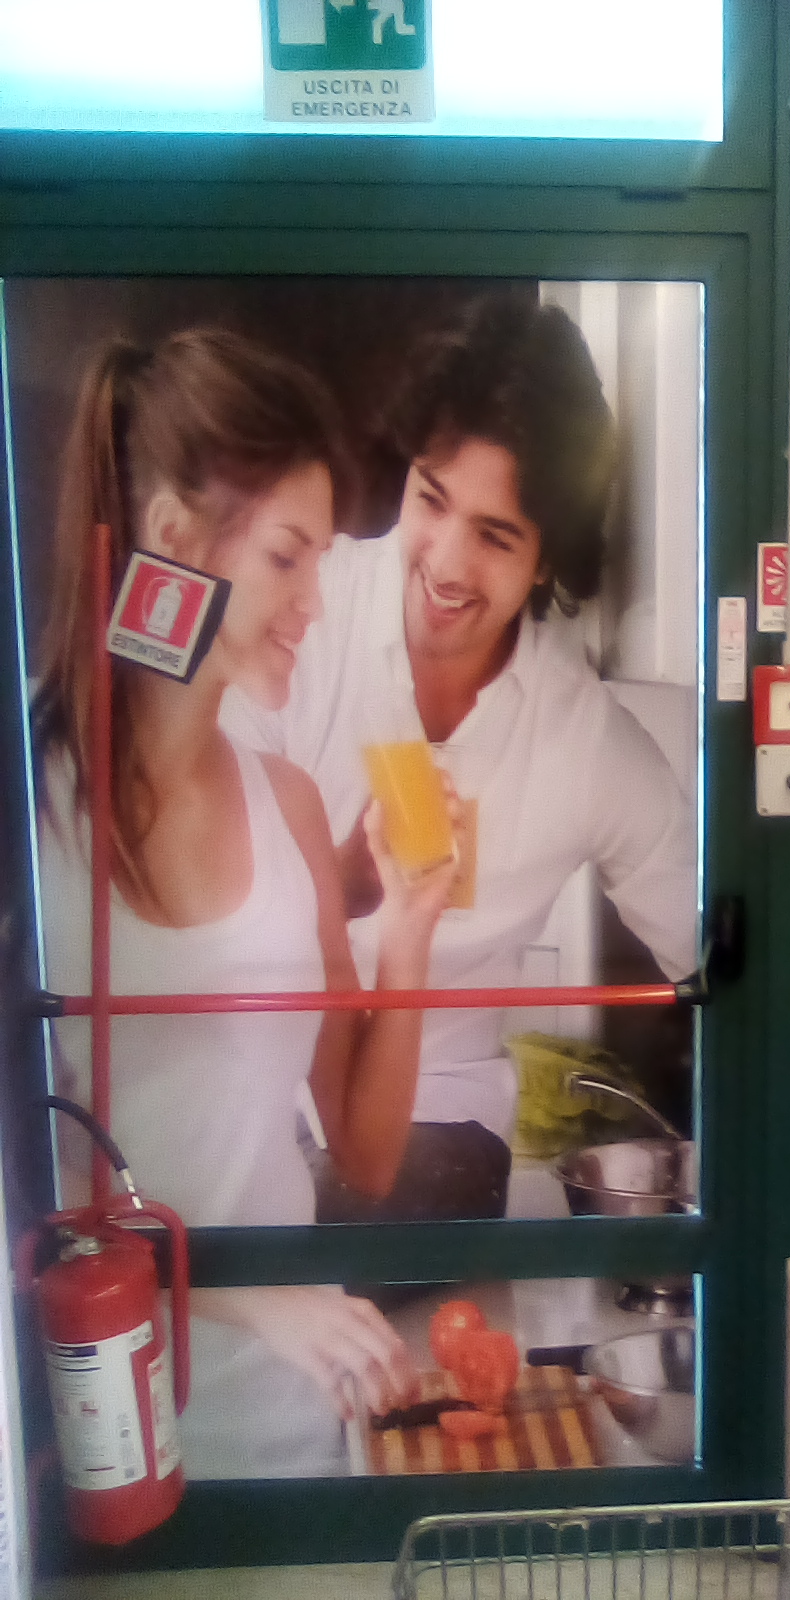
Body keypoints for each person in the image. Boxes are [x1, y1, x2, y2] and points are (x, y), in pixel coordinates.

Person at [33, 328, 459, 1477]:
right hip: (99, 1450)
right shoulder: (30, 809)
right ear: (173, 536)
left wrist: (409, 930)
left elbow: (366, 1154)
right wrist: (244, 1293)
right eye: (286, 556)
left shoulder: (290, 808)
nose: (314, 601)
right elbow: (26, 1189)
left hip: (292, 1436)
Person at [222, 293, 697, 1223]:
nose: (443, 562)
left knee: (368, 1214)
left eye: (494, 536)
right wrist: (343, 882)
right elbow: (196, 893)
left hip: (436, 1125)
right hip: (255, 1094)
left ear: (548, 560)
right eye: (431, 500)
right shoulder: (301, 620)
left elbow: (723, 955)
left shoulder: (585, 741)